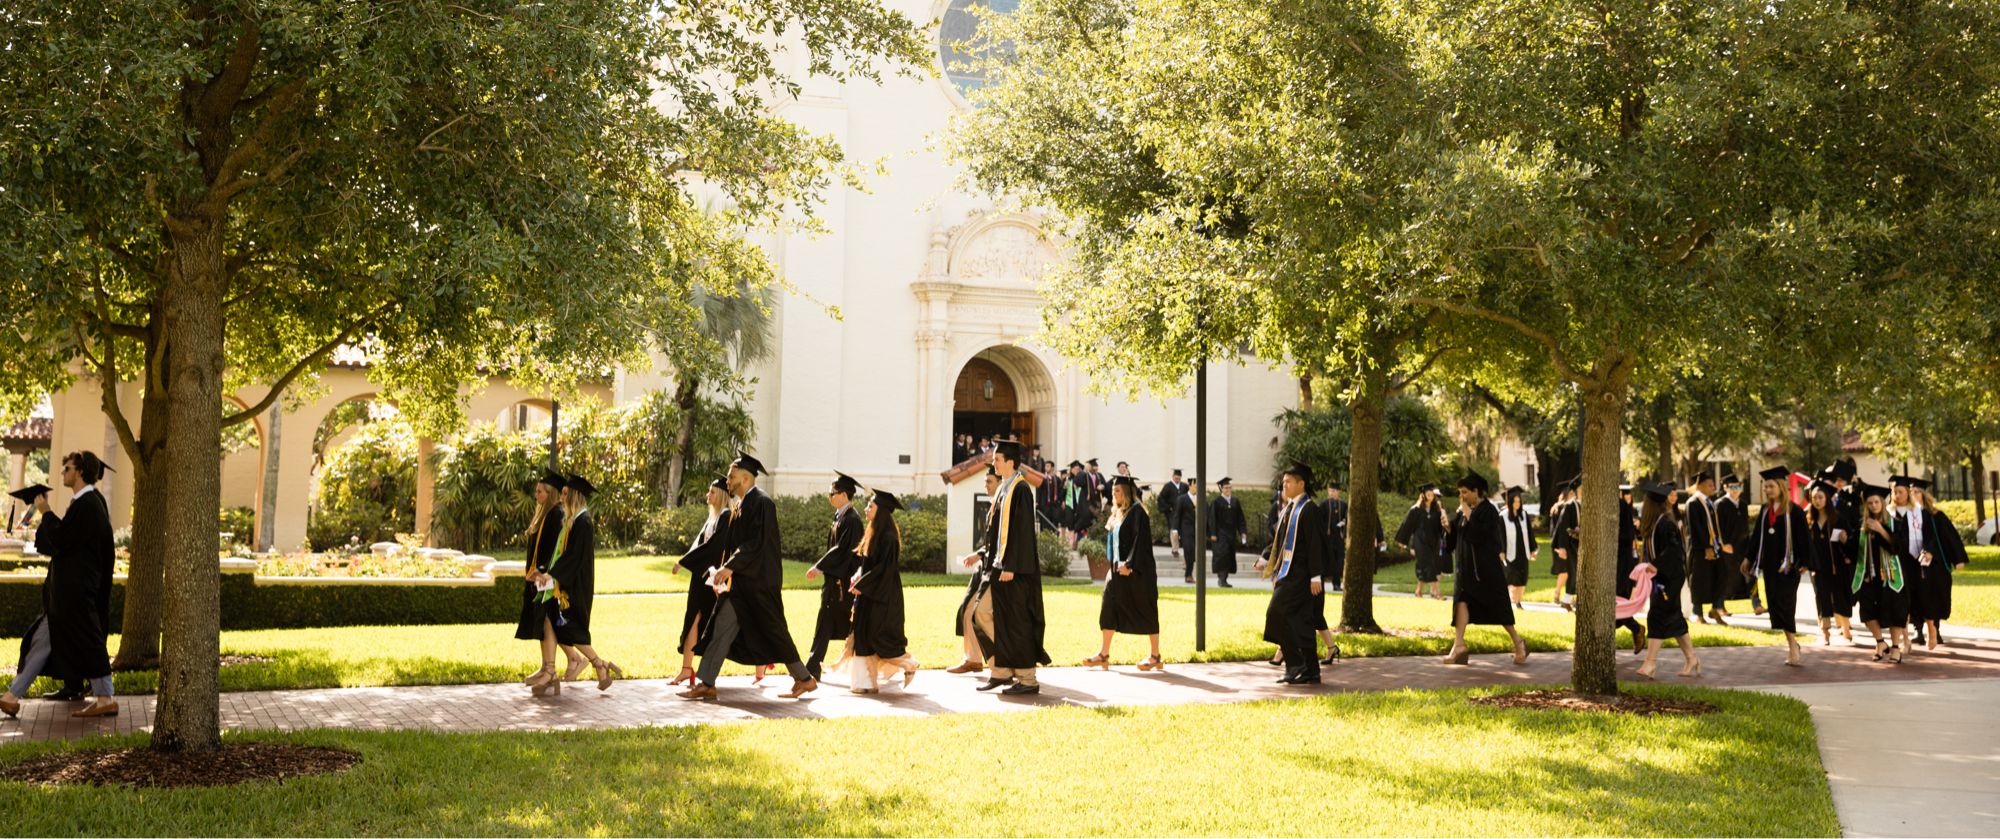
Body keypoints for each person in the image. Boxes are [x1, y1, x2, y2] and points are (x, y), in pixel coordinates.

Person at [681, 451, 819, 701]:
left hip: (759, 583)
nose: (727, 481)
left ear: (745, 479)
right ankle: (706, 682)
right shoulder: (740, 505)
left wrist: (729, 568)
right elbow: (733, 545)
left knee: (774, 630)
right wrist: (721, 573)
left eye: (731, 476)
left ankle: (804, 678)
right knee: (721, 627)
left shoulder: (762, 503)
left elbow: (756, 543)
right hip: (742, 585)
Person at [1, 453, 118, 718]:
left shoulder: (89, 503)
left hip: (76, 592)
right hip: (65, 593)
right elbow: (64, 541)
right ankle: (11, 696)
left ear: (79, 472)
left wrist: (45, 512)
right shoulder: (83, 503)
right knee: (43, 640)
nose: (62, 472)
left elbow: (63, 539)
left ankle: (105, 697)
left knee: (90, 638)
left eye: (67, 468)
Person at [525, 474, 622, 694]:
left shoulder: (583, 522)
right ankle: (553, 671)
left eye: (566, 494)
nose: (562, 497)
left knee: (569, 626)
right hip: (565, 581)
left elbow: (574, 557)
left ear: (575, 496)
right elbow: (561, 554)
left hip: (575, 584)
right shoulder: (572, 520)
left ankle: (599, 664)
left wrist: (553, 576)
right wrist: (545, 574)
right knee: (550, 620)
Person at [972, 440, 1049, 695]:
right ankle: (1002, 670)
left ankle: (1027, 679)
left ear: (1010, 462)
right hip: (999, 567)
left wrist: (1011, 566)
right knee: (982, 614)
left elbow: (1023, 532)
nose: (993, 463)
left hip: (1015, 571)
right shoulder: (1004, 489)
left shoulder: (1021, 489)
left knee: (1017, 623)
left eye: (997, 459)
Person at [1440, 470, 1528, 666]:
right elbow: (1456, 539)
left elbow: (1480, 536)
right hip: (1467, 572)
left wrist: (1468, 514)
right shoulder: (1464, 512)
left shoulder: (1489, 511)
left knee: (1499, 609)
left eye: (1464, 492)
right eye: (1460, 492)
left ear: (1476, 491)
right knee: (1461, 602)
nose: (1461, 496)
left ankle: (1518, 642)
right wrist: (1448, 528)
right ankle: (1459, 645)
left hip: (1487, 573)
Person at [1084, 476, 1164, 671]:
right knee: (1108, 606)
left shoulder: (1138, 513)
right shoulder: (1117, 514)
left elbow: (1141, 543)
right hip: (1116, 571)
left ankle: (1155, 656)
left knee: (1146, 608)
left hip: (1138, 572)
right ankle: (1104, 654)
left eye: (1117, 491)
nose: (1114, 494)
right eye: (1113, 491)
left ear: (1127, 492)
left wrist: (1130, 564)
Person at [1259, 462, 1327, 685]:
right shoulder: (1289, 508)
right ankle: (1311, 671)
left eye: (1288, 481)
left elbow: (1316, 544)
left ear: (1301, 484)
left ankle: (1295, 663)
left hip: (1302, 577)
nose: (1284, 485)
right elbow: (1280, 538)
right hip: (1288, 573)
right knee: (1303, 622)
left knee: (1276, 614)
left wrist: (1316, 575)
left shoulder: (1309, 510)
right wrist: (1265, 557)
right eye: (1284, 481)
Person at [847, 489, 918, 693]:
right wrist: (858, 575)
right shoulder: (873, 532)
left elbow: (882, 571)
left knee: (880, 638)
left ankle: (909, 664)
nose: (866, 508)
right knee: (863, 636)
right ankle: (865, 683)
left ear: (882, 511)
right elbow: (868, 564)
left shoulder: (888, 537)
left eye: (871, 506)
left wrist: (862, 585)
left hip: (883, 595)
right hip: (869, 593)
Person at [517, 471, 581, 695]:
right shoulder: (544, 514)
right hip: (538, 577)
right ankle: (547, 666)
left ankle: (572, 660)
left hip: (546, 577)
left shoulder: (556, 514)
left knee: (549, 621)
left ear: (550, 493)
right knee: (543, 621)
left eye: (540, 491)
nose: (536, 494)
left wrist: (544, 573)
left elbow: (554, 548)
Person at [669, 477, 733, 685]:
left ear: (721, 494)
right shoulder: (712, 518)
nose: (708, 495)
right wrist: (685, 560)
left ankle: (761, 664)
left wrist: (684, 562)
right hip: (701, 579)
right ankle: (686, 669)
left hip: (713, 580)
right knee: (693, 620)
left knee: (717, 625)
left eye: (712, 492)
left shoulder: (726, 517)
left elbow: (714, 548)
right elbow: (699, 544)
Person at [1636, 481, 1700, 679]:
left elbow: (1675, 550)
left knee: (1657, 616)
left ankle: (1650, 663)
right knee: (1673, 617)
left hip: (1669, 577)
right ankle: (1692, 658)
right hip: (1663, 576)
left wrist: (1656, 564)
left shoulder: (1665, 523)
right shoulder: (1657, 523)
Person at [804, 473, 864, 680]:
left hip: (843, 583)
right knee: (826, 624)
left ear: (844, 495)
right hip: (835, 581)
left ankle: (884, 659)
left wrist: (819, 567)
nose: (829, 496)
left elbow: (842, 551)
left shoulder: (853, 520)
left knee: (855, 628)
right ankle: (812, 666)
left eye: (833, 493)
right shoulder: (840, 517)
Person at [1749, 466, 1810, 666]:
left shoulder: (1795, 511)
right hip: (1770, 566)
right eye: (1765, 487)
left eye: (1771, 486)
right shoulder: (1766, 511)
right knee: (1775, 604)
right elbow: (1756, 537)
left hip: (1789, 566)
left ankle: (1793, 646)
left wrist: (1806, 562)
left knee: (1786, 604)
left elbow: (1804, 539)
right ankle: (1792, 642)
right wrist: (1748, 559)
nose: (1767, 490)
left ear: (1781, 487)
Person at [951, 467, 1004, 674]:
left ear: (999, 482)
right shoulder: (993, 506)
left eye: (989, 481)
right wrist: (979, 554)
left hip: (994, 571)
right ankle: (972, 659)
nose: (986, 485)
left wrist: (980, 555)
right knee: (966, 611)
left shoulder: (1002, 507)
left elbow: (1000, 543)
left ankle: (999, 662)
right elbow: (990, 543)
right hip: (983, 568)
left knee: (977, 613)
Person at [1852, 481, 1909, 663]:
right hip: (1870, 576)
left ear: (1882, 503)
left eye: (1876, 502)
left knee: (1895, 613)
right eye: (1870, 503)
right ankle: (1880, 642)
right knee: (1867, 613)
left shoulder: (1895, 523)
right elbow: (1855, 551)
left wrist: (1881, 530)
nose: (1874, 505)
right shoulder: (1862, 526)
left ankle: (1895, 648)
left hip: (1891, 575)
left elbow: (1898, 548)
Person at [1889, 476, 1944, 653]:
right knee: (1901, 601)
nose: (1897, 495)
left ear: (1907, 493)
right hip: (1898, 562)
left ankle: (1931, 629)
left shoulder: (1920, 513)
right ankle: (1905, 639)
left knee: (1924, 597)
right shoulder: (1889, 513)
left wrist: (1929, 551)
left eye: (1901, 492)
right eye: (1895, 492)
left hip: (1918, 561)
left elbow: (1931, 536)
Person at [1915, 485, 1967, 650]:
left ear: (1923, 495)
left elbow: (1949, 537)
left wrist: (1958, 558)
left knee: (1935, 596)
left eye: (1916, 492)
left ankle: (1935, 628)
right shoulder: (1907, 516)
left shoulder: (1936, 516)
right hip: (1914, 563)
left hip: (1936, 565)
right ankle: (1918, 630)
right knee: (1918, 596)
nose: (1913, 495)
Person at [1805, 480, 1855, 645]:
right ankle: (1825, 633)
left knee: (1841, 596)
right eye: (1814, 498)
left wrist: (1845, 540)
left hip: (1836, 565)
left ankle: (1846, 628)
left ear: (1826, 498)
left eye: (1820, 497)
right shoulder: (1809, 520)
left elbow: (1850, 539)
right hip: (1817, 567)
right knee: (1822, 598)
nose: (1817, 501)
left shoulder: (1837, 519)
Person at [1683, 472, 1730, 625]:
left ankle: (1716, 608)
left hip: (1715, 547)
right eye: (1710, 485)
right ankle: (1697, 613)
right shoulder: (1693, 503)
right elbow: (1695, 528)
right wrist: (1706, 547)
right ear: (1700, 486)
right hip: (1700, 549)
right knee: (1699, 580)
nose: (1713, 488)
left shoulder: (1709, 502)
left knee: (1720, 575)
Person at [1717, 473, 1765, 616]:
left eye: (1738, 486)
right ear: (1725, 488)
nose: (1736, 489)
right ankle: (1720, 606)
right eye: (1732, 487)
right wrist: (1723, 544)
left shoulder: (1743, 505)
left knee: (1751, 574)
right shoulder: (1720, 504)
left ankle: (1757, 604)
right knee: (1725, 577)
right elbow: (1717, 527)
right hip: (1727, 547)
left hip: (1744, 546)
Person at [1396, 485, 1448, 600]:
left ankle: (1418, 591)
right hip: (1420, 542)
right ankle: (1436, 592)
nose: (1430, 493)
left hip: (1433, 542)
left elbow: (1441, 527)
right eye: (1428, 492)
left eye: (1431, 492)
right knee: (1429, 565)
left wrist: (1444, 538)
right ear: (1423, 494)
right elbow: (1407, 526)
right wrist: (1404, 542)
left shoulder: (1437, 509)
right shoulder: (1416, 509)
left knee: (1423, 565)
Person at [1500, 486, 1535, 608]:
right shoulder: (1503, 516)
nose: (1517, 503)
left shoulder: (1524, 515)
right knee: (1512, 577)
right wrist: (1501, 550)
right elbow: (1500, 535)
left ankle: (1518, 600)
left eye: (1519, 501)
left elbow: (1530, 534)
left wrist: (1532, 550)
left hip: (1523, 551)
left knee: (1523, 577)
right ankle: (1513, 601)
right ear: (1509, 502)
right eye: (1515, 501)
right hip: (1510, 552)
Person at [1548, 480, 1580, 610]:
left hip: (1579, 545)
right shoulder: (1570, 506)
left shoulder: (1582, 505)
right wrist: (1561, 547)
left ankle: (1570, 599)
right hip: (1570, 545)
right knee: (1572, 572)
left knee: (1576, 573)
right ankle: (1566, 599)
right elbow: (1562, 528)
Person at [1209, 478, 1246, 587]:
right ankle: (1221, 579)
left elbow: (1240, 518)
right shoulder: (1216, 502)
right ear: (1221, 489)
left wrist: (1242, 531)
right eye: (1226, 488)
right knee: (1222, 556)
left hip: (1231, 534)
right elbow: (1212, 519)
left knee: (1229, 555)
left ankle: (1224, 579)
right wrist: (1213, 534)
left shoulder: (1235, 501)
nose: (1228, 489)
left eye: (1229, 487)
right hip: (1220, 534)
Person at [1062, 460, 1094, 550]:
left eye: (1077, 469)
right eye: (1074, 469)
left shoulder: (1082, 477)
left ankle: (1077, 543)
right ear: (1071, 470)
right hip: (1070, 503)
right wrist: (1064, 487)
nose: (1075, 470)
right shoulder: (1068, 479)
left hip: (1079, 505)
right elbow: (1062, 493)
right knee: (1071, 523)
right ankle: (1071, 543)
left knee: (1078, 524)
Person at [1323, 481, 1348, 593]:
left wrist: (1344, 523)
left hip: (1339, 537)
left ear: (1338, 492)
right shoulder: (1323, 504)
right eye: (1330, 491)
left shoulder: (1343, 505)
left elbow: (1347, 517)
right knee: (1326, 559)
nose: (1332, 493)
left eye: (1334, 491)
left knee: (1339, 561)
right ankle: (1320, 582)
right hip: (1327, 537)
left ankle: (1336, 584)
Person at [1159, 469, 1187, 564]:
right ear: (1173, 476)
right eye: (1176, 478)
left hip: (1182, 512)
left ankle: (1179, 547)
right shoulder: (1168, 486)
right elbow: (1161, 498)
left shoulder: (1184, 486)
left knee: (1181, 529)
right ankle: (1175, 549)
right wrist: (1168, 508)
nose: (1177, 479)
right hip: (1172, 512)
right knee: (1173, 530)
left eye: (1179, 478)